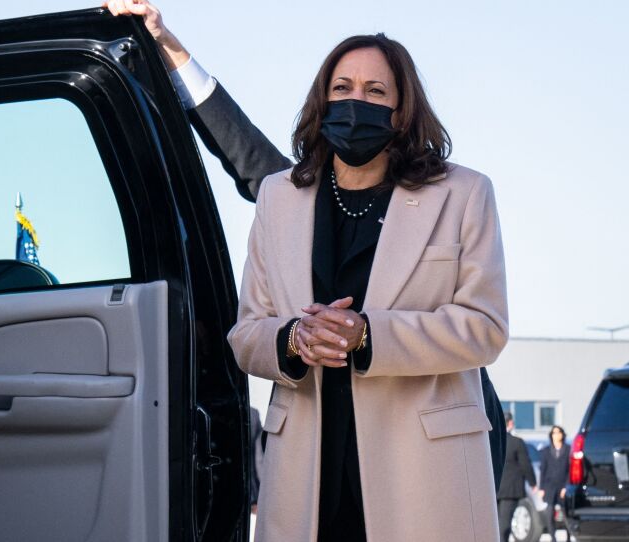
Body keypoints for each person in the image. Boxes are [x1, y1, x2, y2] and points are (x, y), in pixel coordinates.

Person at [106, 3, 508, 540]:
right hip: (310, 474)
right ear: (322, 101)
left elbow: (484, 327)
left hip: (424, 474)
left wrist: (370, 336)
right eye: (341, 88)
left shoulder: (462, 193)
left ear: (402, 109)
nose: (355, 103)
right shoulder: (284, 196)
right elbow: (248, 331)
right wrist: (292, 340)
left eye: (376, 92)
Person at [497, 412, 538, 542]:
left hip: (493, 489)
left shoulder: (490, 442)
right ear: (510, 423)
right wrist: (533, 483)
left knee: (496, 523)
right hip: (511, 490)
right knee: (504, 524)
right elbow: (526, 465)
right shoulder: (517, 442)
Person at [538, 424, 569, 537]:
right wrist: (541, 488)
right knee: (549, 513)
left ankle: (568, 537)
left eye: (558, 432)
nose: (556, 435)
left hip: (563, 486)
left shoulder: (568, 449)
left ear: (562, 434)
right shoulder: (546, 451)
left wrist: (566, 486)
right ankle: (553, 537)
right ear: (551, 435)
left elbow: (570, 470)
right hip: (549, 486)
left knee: (566, 513)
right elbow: (543, 470)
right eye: (554, 433)